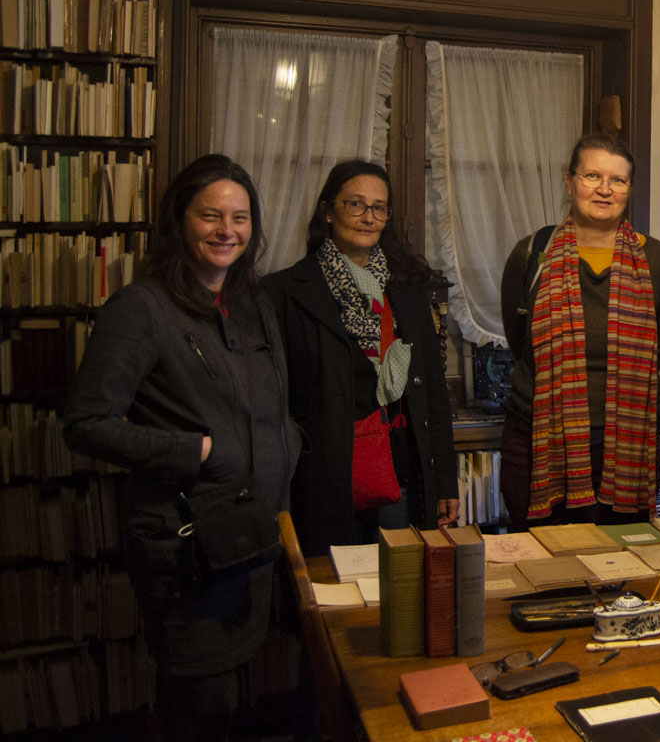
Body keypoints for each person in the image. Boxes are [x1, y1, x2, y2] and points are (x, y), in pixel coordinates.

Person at [64, 154, 299, 741]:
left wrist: (286, 445)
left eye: (240, 217)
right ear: (180, 220)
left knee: (233, 692)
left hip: (251, 533)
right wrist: (192, 451)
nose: (227, 231)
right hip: (187, 549)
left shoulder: (253, 306)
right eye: (210, 215)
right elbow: (85, 423)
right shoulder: (140, 309)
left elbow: (270, 408)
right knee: (201, 702)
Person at [264, 160, 457, 555]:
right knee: (334, 598)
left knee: (399, 596)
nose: (368, 217)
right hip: (322, 477)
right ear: (328, 211)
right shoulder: (284, 292)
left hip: (401, 471)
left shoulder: (407, 290)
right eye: (355, 204)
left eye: (379, 207)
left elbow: (433, 392)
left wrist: (445, 481)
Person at [499, 134, 660, 531]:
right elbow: (519, 341)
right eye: (592, 176)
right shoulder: (532, 254)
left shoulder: (657, 261)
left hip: (627, 446)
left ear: (629, 190)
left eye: (617, 180)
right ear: (569, 182)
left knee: (622, 566)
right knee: (541, 559)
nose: (604, 189)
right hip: (538, 437)